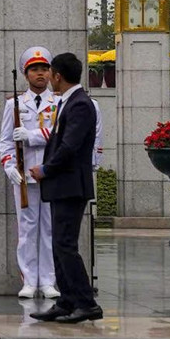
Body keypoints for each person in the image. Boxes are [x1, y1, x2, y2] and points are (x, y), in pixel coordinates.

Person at [30, 52, 102, 323]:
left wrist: (46, 169)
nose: (47, 78)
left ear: (57, 75)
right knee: (59, 245)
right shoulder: (68, 102)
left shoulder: (80, 104)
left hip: (71, 184)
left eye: (49, 73)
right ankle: (67, 301)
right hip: (62, 184)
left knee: (65, 245)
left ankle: (86, 302)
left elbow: (69, 146)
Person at [0, 46, 59, 300]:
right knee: (26, 230)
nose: (40, 74)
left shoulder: (58, 103)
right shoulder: (14, 104)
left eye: (44, 69)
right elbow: (5, 140)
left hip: (50, 174)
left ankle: (48, 281)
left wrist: (32, 136)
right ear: (26, 75)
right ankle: (29, 280)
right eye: (35, 70)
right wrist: (9, 166)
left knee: (48, 230)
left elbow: (59, 136)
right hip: (23, 176)